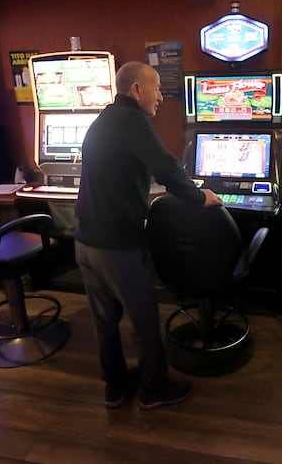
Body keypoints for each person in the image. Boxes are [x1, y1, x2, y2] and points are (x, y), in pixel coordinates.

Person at [74, 61, 223, 410]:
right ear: (136, 89)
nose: (160, 97)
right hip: (116, 246)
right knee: (143, 318)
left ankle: (114, 386)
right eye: (156, 88)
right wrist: (200, 196)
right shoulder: (131, 119)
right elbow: (166, 166)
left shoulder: (104, 119)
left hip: (85, 242)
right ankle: (154, 388)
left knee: (105, 321)